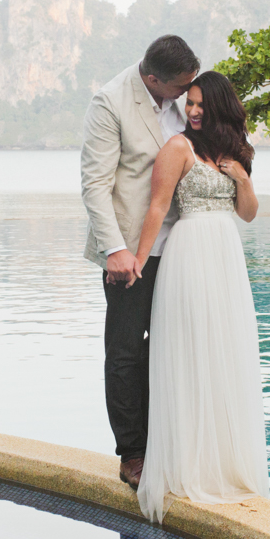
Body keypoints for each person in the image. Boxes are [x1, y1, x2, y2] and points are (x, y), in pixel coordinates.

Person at [132, 70, 268, 523]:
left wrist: (242, 179)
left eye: (199, 104)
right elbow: (157, 206)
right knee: (190, 352)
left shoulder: (235, 153)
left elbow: (247, 214)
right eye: (188, 103)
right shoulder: (177, 148)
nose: (191, 111)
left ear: (218, 107)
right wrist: (137, 261)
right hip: (188, 254)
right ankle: (187, 464)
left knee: (225, 353)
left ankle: (224, 464)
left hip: (226, 256)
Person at [81, 35, 201, 490]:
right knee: (127, 352)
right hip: (131, 253)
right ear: (153, 79)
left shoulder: (187, 99)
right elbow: (95, 184)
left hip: (182, 249)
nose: (189, 95)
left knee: (172, 346)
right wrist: (115, 250)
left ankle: (171, 444)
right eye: (181, 87)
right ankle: (133, 452)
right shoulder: (110, 102)